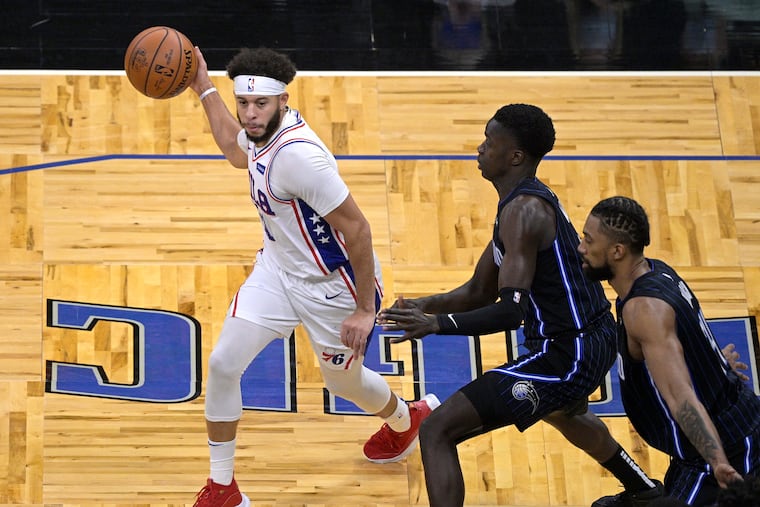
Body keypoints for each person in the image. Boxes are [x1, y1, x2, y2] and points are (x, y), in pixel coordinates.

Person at [187, 47, 440, 507]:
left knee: (343, 383)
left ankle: (408, 419)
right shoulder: (260, 132)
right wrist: (202, 85)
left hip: (332, 288)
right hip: (279, 271)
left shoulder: (299, 159)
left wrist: (366, 309)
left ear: (282, 99)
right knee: (223, 365)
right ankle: (223, 488)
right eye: (242, 103)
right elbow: (233, 150)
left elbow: (358, 229)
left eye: (258, 104)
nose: (248, 114)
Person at [377, 103, 662, 507]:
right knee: (564, 411)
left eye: (489, 142)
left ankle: (643, 490)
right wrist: (422, 306)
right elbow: (479, 290)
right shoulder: (521, 203)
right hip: (590, 337)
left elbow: (511, 311)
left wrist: (438, 326)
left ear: (514, 156)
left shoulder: (523, 213)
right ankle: (643, 490)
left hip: (568, 351)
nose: (479, 148)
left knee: (438, 429)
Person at [578, 195, 760, 506]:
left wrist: (717, 461)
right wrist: (715, 362)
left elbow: (681, 398)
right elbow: (686, 334)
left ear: (617, 251)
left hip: (719, 450)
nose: (581, 248)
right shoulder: (656, 272)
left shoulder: (643, 309)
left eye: (588, 240)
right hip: (700, 448)